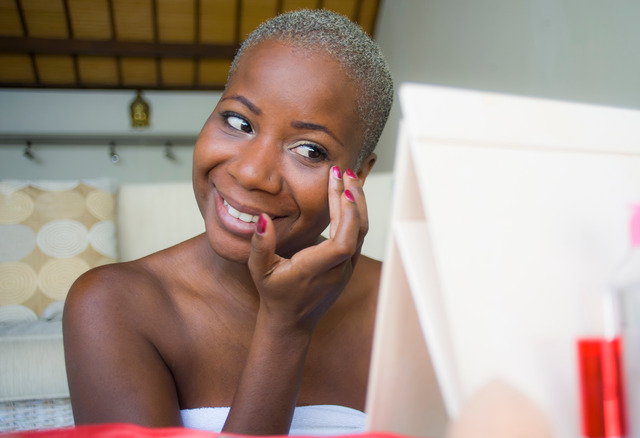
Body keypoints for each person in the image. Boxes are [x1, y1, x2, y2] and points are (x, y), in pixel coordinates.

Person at [63, 9, 393, 436]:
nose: (252, 173)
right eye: (239, 122)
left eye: (310, 150)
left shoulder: (400, 307)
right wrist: (284, 329)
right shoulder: (112, 305)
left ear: (358, 174)